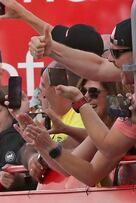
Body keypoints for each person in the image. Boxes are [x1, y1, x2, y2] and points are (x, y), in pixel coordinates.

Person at [20, 18, 136, 187]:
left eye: (117, 53)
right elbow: (90, 173)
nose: (111, 59)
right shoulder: (120, 114)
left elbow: (97, 67)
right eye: (84, 91)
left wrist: (80, 104)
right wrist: (45, 145)